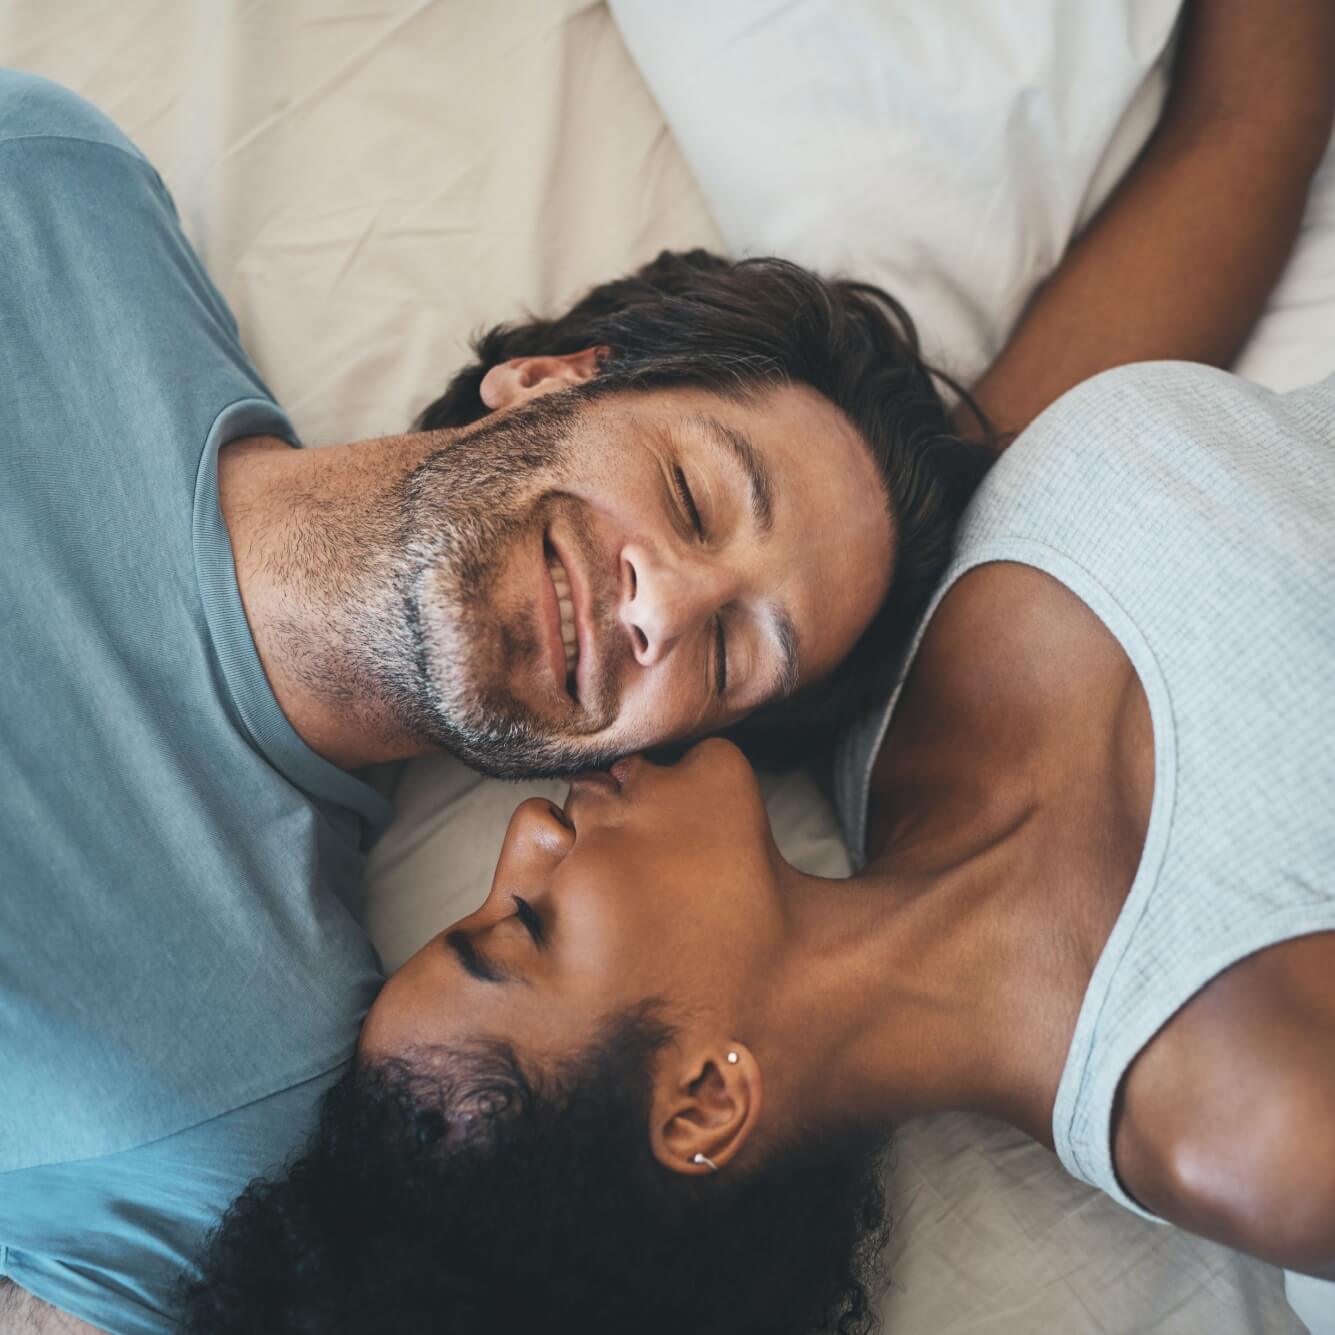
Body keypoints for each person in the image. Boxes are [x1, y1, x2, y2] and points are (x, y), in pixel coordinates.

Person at [1, 0, 1330, 1329]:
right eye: (517, 926)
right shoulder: (1254, 1120)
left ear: (558, 377)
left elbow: (1239, 123)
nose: (521, 839)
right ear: (705, 1098)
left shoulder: (889, 646)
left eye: (697, 498)